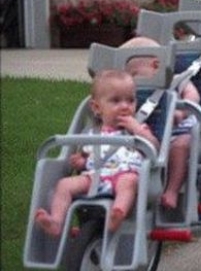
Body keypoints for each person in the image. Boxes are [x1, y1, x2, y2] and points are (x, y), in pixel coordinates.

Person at [35, 70, 161, 235]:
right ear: (96, 108)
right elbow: (88, 158)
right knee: (64, 184)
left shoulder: (138, 129)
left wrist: (137, 130)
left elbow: (154, 147)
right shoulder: (92, 133)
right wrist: (81, 162)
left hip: (123, 175)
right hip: (95, 176)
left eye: (130, 100)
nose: (125, 106)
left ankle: (117, 215)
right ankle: (57, 222)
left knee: (129, 181)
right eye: (116, 101)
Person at [121, 36, 201, 210]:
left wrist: (181, 111)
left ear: (156, 65)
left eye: (134, 75)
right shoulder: (130, 91)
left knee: (181, 146)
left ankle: (172, 190)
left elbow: (193, 96)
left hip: (176, 132)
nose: (132, 81)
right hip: (147, 133)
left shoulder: (176, 80)